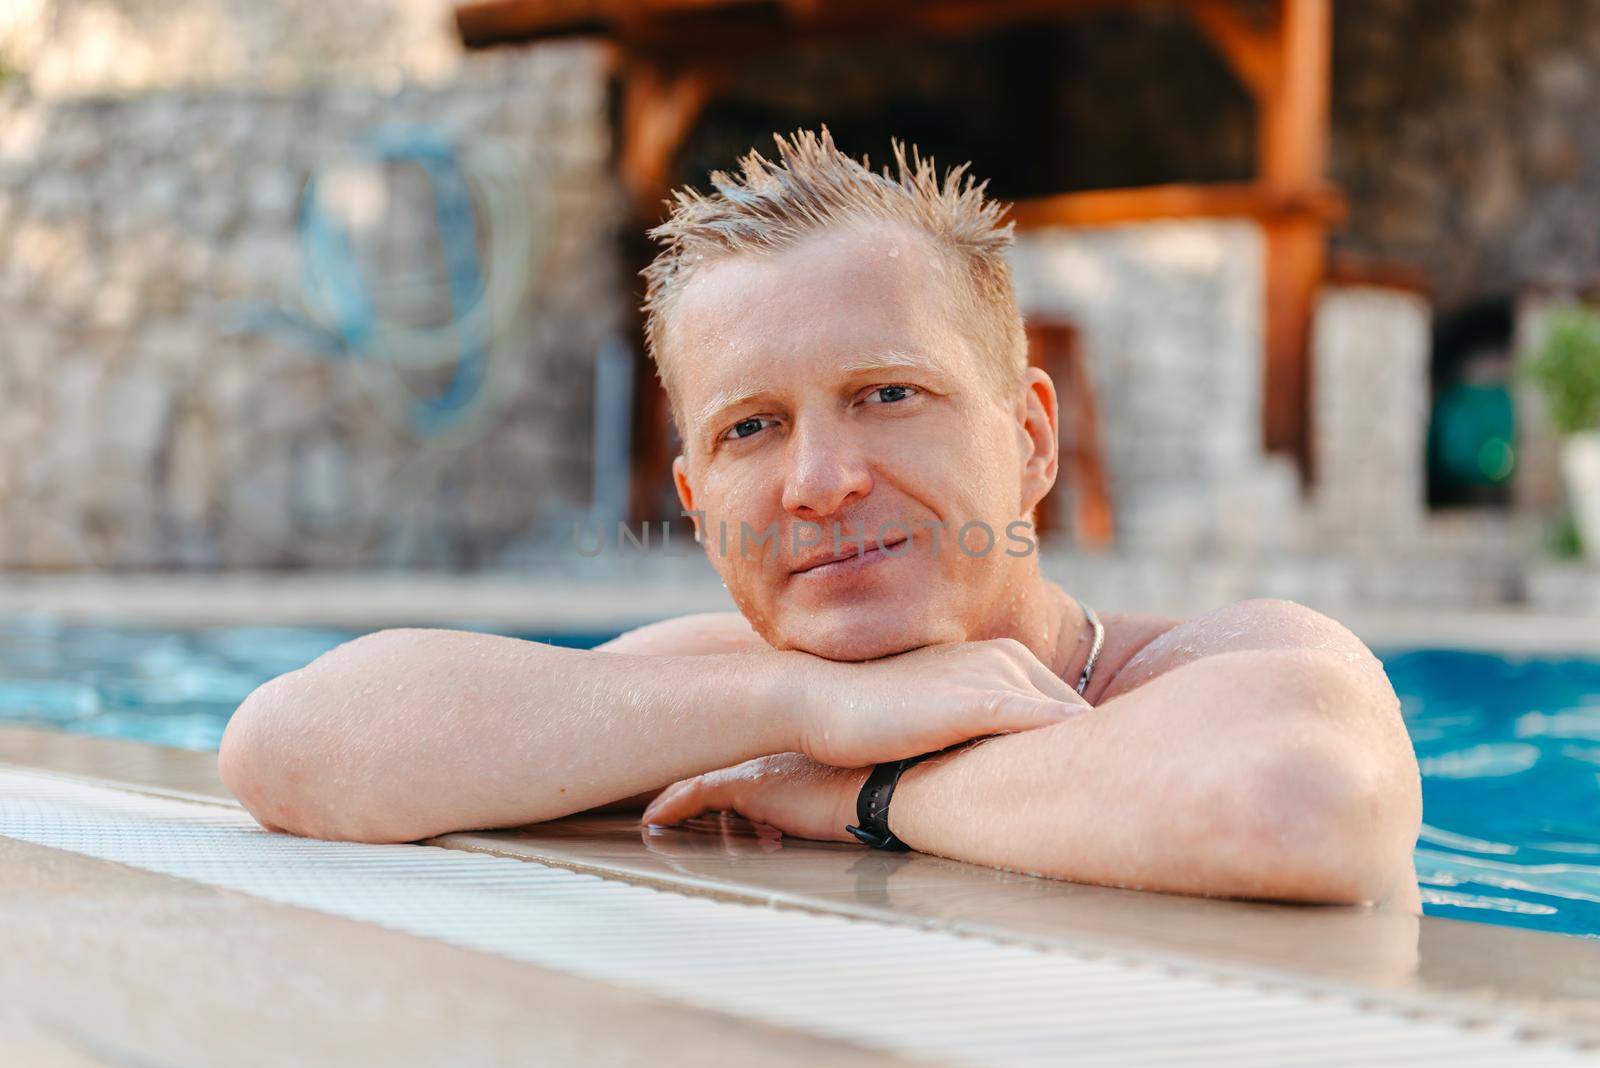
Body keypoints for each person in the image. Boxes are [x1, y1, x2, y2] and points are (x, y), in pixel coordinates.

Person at [219, 128, 1422, 910]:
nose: (819, 480)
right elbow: (287, 747)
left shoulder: (1211, 666)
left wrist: (857, 789)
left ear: (1031, 439)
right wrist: (807, 707)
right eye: (750, 428)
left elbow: (1295, 809)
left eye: (886, 395)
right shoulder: (722, 696)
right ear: (694, 504)